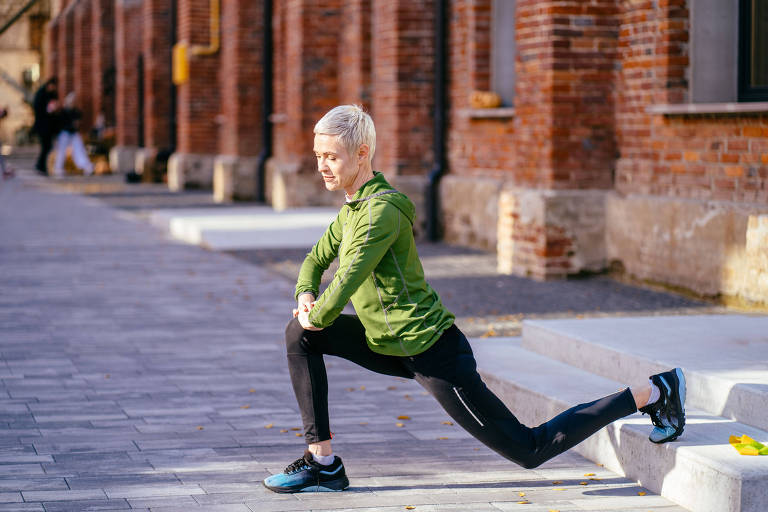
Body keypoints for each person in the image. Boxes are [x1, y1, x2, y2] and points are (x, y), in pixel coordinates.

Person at [263, 105, 687, 494]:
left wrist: (317, 312)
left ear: (361, 154)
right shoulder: (352, 210)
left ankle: (652, 391)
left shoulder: (380, 212)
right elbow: (316, 260)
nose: (321, 166)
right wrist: (305, 296)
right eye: (318, 155)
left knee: (529, 449)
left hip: (432, 352)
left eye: (330, 157)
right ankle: (323, 462)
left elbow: (345, 281)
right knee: (299, 335)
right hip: (387, 343)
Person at [53, 93, 93, 178]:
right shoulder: (63, 112)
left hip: (73, 133)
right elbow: (59, 123)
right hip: (65, 133)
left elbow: (77, 122)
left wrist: (75, 125)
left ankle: (86, 166)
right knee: (61, 151)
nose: (72, 103)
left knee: (79, 149)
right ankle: (58, 168)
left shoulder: (76, 111)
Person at [32, 77, 60, 175]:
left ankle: (41, 166)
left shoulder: (52, 94)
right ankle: (41, 166)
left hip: (50, 126)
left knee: (48, 147)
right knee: (45, 146)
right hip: (42, 125)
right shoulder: (41, 94)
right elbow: (37, 108)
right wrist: (47, 110)